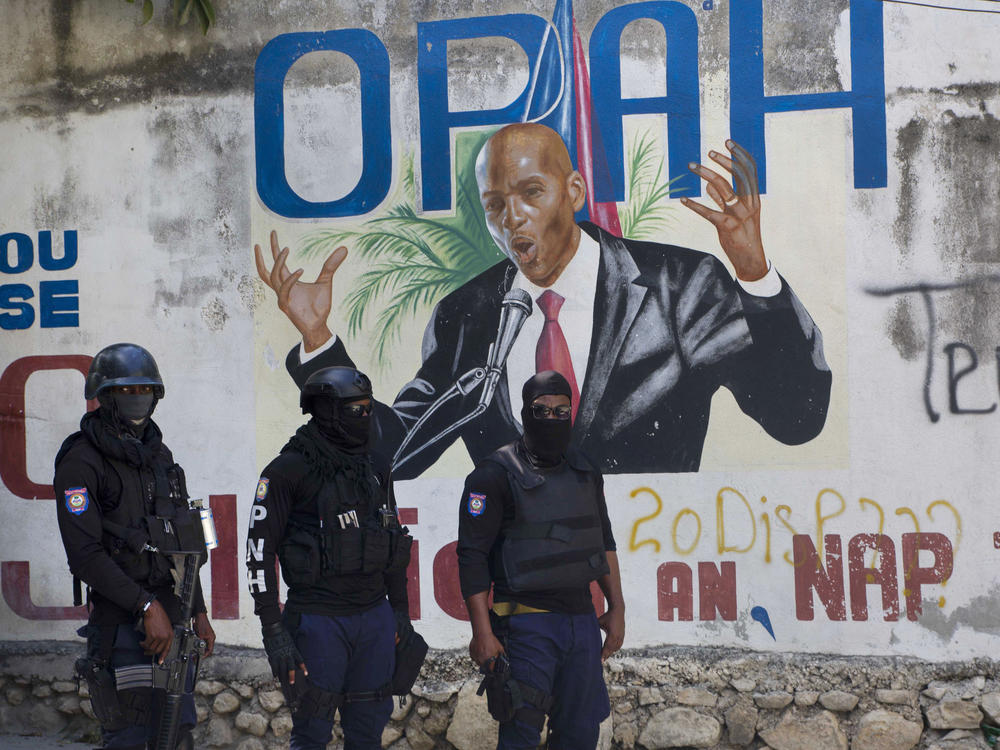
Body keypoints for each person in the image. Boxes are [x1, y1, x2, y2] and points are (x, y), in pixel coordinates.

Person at [255, 123, 831, 477]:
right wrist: (319, 343)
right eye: (495, 204)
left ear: (573, 191)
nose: (513, 219)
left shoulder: (678, 286)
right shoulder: (466, 315)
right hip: (516, 592)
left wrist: (753, 272)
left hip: (649, 571)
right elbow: (394, 453)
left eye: (532, 193)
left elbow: (796, 419)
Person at [54, 342, 215, 750]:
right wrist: (146, 606)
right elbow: (85, 555)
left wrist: (198, 610)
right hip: (121, 624)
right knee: (129, 737)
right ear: (105, 395)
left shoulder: (161, 458)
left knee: (176, 735)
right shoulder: (82, 459)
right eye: (126, 391)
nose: (137, 399)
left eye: (144, 390)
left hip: (172, 621)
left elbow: (182, 542)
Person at [246, 366, 414, 750]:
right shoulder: (288, 470)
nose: (366, 417)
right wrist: (274, 632)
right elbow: (258, 554)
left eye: (368, 408)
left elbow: (391, 542)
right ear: (325, 411)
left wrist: (399, 612)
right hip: (317, 622)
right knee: (311, 733)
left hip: (373, 617)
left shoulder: (375, 466)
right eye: (355, 410)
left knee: (368, 734)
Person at [456, 371, 624, 749]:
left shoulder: (585, 470)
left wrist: (617, 607)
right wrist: (481, 632)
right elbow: (472, 556)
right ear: (525, 412)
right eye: (541, 410)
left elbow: (605, 542)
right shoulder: (492, 475)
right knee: (520, 734)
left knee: (580, 735)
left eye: (561, 410)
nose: (551, 418)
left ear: (571, 411)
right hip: (524, 626)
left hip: (582, 623)